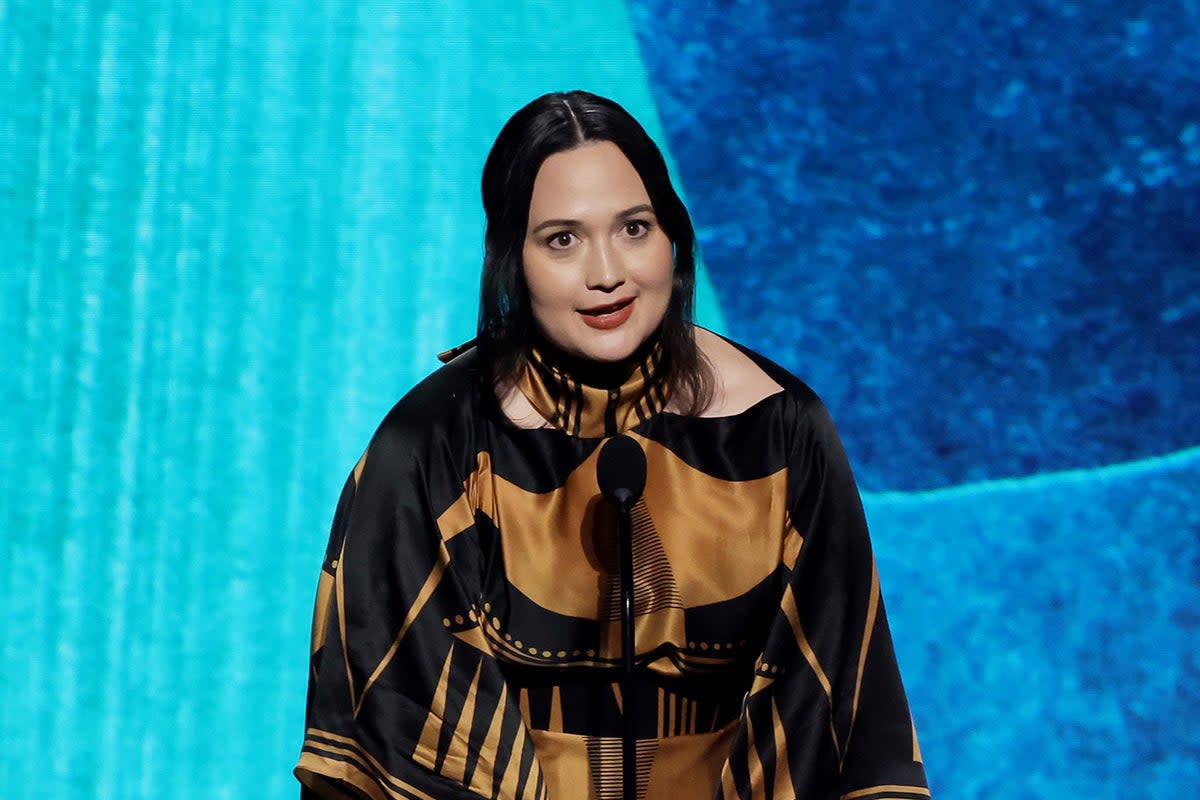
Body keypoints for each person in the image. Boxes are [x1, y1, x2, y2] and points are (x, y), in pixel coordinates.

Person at [294, 90, 929, 800]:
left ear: (675, 237)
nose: (607, 273)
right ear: (511, 258)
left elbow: (838, 717)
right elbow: (399, 734)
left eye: (634, 228)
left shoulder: (781, 431)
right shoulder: (429, 448)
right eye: (562, 239)